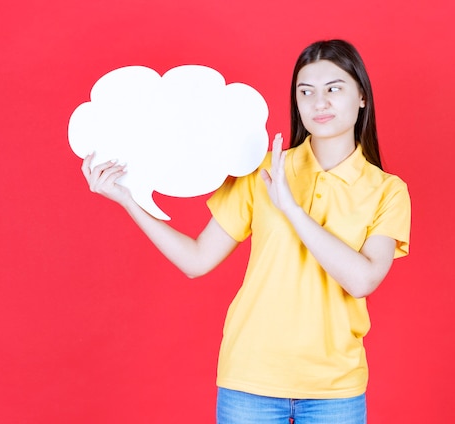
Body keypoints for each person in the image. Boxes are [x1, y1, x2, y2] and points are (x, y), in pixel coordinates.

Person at [81, 39, 411, 424]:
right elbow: (196, 259)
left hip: (335, 388)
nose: (319, 103)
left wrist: (290, 208)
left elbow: (362, 280)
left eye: (333, 89)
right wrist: (128, 199)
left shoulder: (388, 190)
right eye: (306, 92)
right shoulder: (262, 171)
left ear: (361, 98)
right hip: (250, 380)